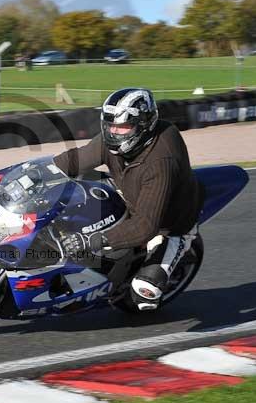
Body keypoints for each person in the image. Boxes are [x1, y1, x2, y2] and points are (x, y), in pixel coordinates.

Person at [53, 87, 204, 310]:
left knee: (144, 294)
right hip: (128, 190)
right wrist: (40, 172)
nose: (115, 132)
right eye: (111, 125)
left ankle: (167, 259)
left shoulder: (160, 160)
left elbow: (145, 226)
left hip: (168, 225)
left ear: (143, 126)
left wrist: (92, 241)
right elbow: (76, 160)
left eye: (123, 127)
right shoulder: (112, 139)